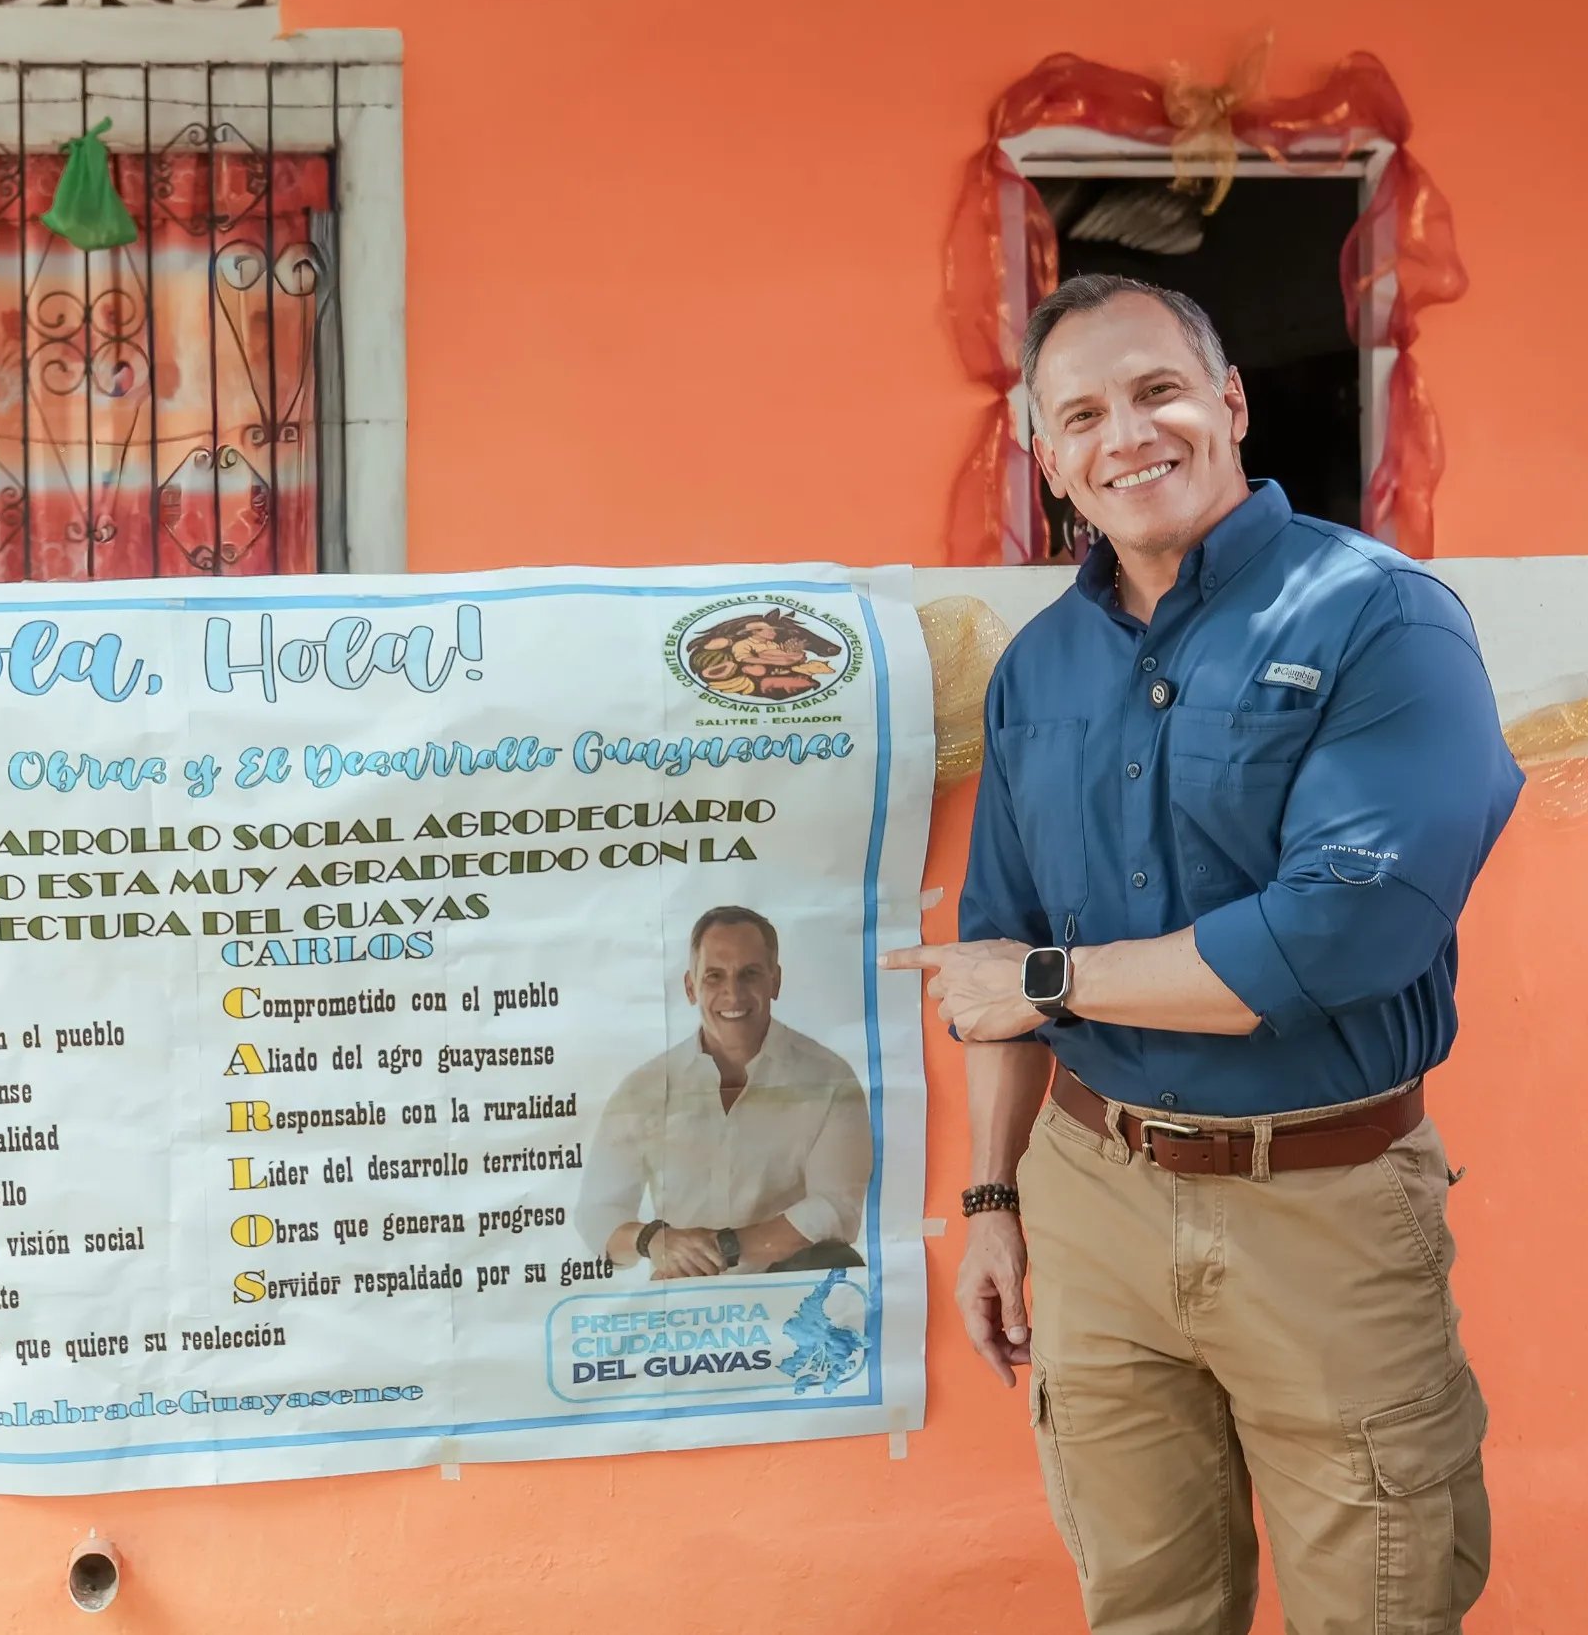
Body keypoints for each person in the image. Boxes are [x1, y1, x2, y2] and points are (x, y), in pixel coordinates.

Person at [882, 274, 1519, 1633]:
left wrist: (1053, 983)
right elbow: (996, 954)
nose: (1126, 435)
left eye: (1158, 390)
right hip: (1091, 1198)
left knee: (1381, 1601)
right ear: (1047, 457)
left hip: (1322, 1202)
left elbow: (1342, 929)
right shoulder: (1039, 666)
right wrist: (990, 1200)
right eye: (1082, 415)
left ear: (1228, 403)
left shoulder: (1381, 618)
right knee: (1146, 1602)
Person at [577, 906, 873, 1278]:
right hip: (683, 1301)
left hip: (792, 1298)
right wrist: (653, 1241)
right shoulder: (645, 1088)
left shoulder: (829, 1078)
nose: (733, 994)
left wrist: (720, 1249)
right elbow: (598, 1215)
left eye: (749, 974)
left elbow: (836, 1208)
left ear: (775, 981)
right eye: (714, 976)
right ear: (691, 987)